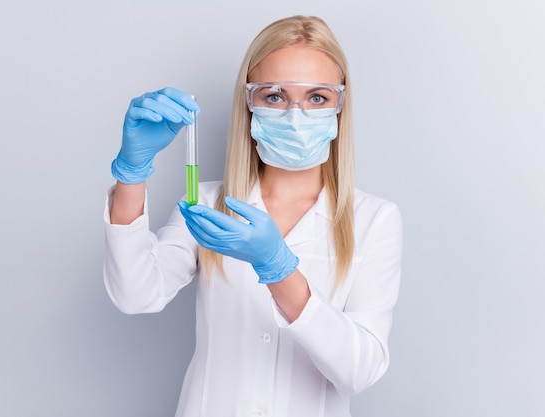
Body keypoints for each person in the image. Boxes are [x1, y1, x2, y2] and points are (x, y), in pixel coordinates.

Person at [103, 15, 402, 417]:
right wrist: (131, 172)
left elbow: (359, 371)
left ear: (339, 107)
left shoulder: (374, 220)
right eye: (274, 96)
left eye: (317, 97)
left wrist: (279, 269)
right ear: (249, 103)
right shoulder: (206, 202)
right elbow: (135, 295)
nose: (296, 115)